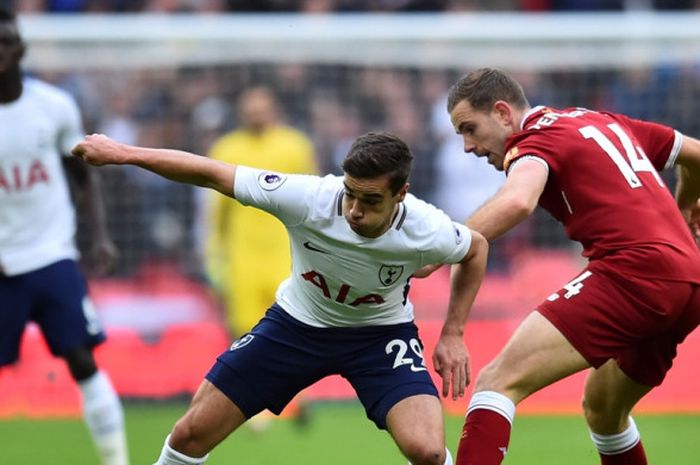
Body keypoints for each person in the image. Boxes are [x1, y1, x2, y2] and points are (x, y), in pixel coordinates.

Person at [72, 131, 489, 465]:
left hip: (379, 336)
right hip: (295, 327)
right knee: (190, 433)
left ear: (401, 194)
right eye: (351, 193)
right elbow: (211, 172)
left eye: (371, 200)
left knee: (429, 452)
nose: (355, 210)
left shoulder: (426, 227)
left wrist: (453, 332)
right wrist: (123, 153)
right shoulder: (309, 198)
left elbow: (476, 249)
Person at [445, 67, 700, 465]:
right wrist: (684, 206)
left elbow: (517, 202)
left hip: (634, 273)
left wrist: (438, 244)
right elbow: (696, 155)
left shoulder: (533, 140)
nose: (467, 146)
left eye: (469, 128)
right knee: (604, 411)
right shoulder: (602, 121)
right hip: (689, 281)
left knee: (497, 381)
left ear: (502, 112)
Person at [0, 9, 129, 465]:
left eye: (4, 41)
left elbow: (83, 175)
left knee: (82, 359)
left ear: (19, 49)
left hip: (52, 255)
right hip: (2, 265)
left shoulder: (53, 106)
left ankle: (117, 461)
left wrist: (100, 236)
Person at [205, 85, 318, 338]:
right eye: (250, 110)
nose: (256, 115)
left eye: (261, 110)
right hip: (241, 255)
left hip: (286, 251)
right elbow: (216, 214)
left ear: (274, 110)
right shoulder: (227, 149)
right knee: (244, 330)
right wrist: (214, 256)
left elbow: (313, 201)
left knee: (291, 325)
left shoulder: (295, 146)